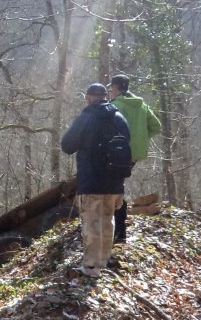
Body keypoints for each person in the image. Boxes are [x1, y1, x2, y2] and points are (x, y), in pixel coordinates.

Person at [61, 83, 130, 278]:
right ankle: (103, 261)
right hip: (115, 181)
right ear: (106, 97)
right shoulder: (119, 117)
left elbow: (67, 145)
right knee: (108, 219)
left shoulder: (86, 118)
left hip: (91, 180)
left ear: (89, 98)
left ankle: (91, 267)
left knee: (91, 222)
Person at [108, 74, 162, 242]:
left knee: (115, 188)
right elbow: (156, 126)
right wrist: (141, 138)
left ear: (116, 88)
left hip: (120, 153)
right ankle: (118, 231)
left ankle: (119, 232)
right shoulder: (141, 105)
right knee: (118, 185)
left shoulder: (116, 105)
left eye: (112, 87)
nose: (110, 90)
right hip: (135, 153)